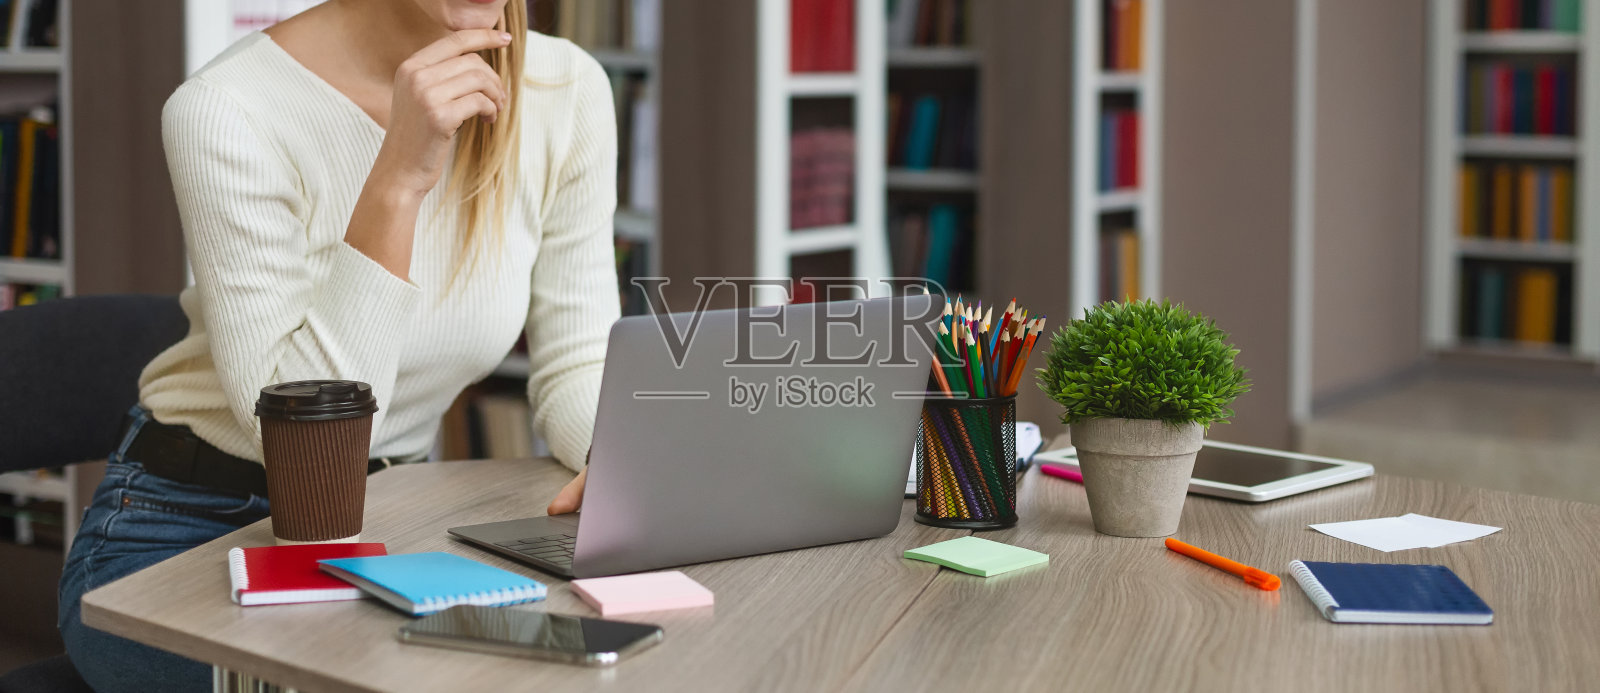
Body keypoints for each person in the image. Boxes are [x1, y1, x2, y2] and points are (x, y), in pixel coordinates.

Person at [57, 0, 613, 689]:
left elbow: (579, 360)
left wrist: (617, 462)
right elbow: (304, 447)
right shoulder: (227, 108)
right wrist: (398, 180)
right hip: (191, 529)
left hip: (394, 522)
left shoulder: (566, 90)